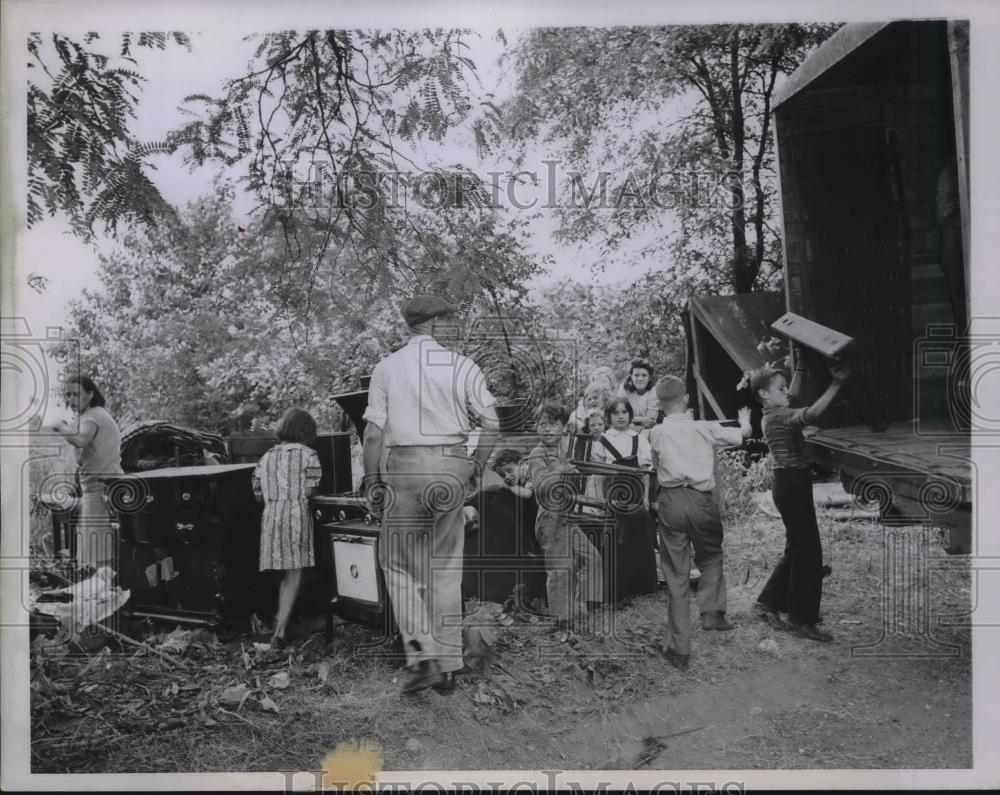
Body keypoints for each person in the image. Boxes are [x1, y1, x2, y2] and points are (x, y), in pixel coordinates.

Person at [362, 295, 500, 695]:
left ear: (411, 327)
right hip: (453, 467)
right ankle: (450, 664)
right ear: (436, 323)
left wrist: (373, 480)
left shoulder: (387, 368)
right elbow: (493, 424)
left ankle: (423, 657)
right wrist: (475, 465)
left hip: (406, 470)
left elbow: (373, 434)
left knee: (398, 563)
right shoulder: (463, 365)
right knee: (445, 567)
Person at [648, 375, 752, 671]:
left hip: (671, 502)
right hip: (701, 499)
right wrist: (745, 421)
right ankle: (712, 613)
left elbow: (652, 465)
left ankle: (679, 650)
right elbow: (740, 435)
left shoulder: (656, 433)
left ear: (659, 404)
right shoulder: (703, 427)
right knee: (711, 556)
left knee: (677, 575)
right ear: (688, 400)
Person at [750, 357, 850, 642]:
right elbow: (812, 414)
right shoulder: (780, 416)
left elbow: (792, 396)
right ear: (764, 394)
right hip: (792, 484)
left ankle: (767, 602)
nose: (788, 393)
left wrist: (802, 366)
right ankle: (800, 618)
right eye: (781, 389)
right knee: (808, 553)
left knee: (797, 547)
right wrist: (837, 383)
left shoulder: (772, 411)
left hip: (790, 483)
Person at [525, 402, 603, 630]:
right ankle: (562, 622)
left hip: (567, 517)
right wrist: (561, 471)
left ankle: (580, 607)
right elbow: (539, 487)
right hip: (549, 518)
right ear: (537, 428)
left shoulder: (563, 449)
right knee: (560, 570)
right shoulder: (537, 453)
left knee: (592, 559)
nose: (548, 429)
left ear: (563, 427)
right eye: (543, 425)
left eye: (554, 424)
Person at [252, 407, 322, 649]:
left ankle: (279, 622)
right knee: (294, 575)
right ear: (306, 431)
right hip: (295, 516)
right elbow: (310, 490)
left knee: (285, 575)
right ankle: (279, 634)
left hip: (271, 517)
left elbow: (257, 494)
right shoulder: (310, 455)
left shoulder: (266, 457)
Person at [53, 376, 123, 570]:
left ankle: (105, 594)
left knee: (101, 557)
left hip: (101, 490)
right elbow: (83, 456)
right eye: (68, 394)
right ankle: (106, 591)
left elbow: (81, 440)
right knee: (101, 552)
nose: (71, 399)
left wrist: (61, 426)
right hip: (107, 488)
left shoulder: (92, 417)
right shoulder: (94, 415)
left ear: (90, 394)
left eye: (76, 394)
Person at [620, 358, 659, 431]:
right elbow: (620, 414)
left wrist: (638, 425)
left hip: (647, 430)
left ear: (649, 378)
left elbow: (650, 421)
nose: (640, 379)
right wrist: (631, 425)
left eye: (644, 375)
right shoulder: (624, 389)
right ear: (631, 376)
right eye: (636, 375)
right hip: (626, 427)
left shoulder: (653, 391)